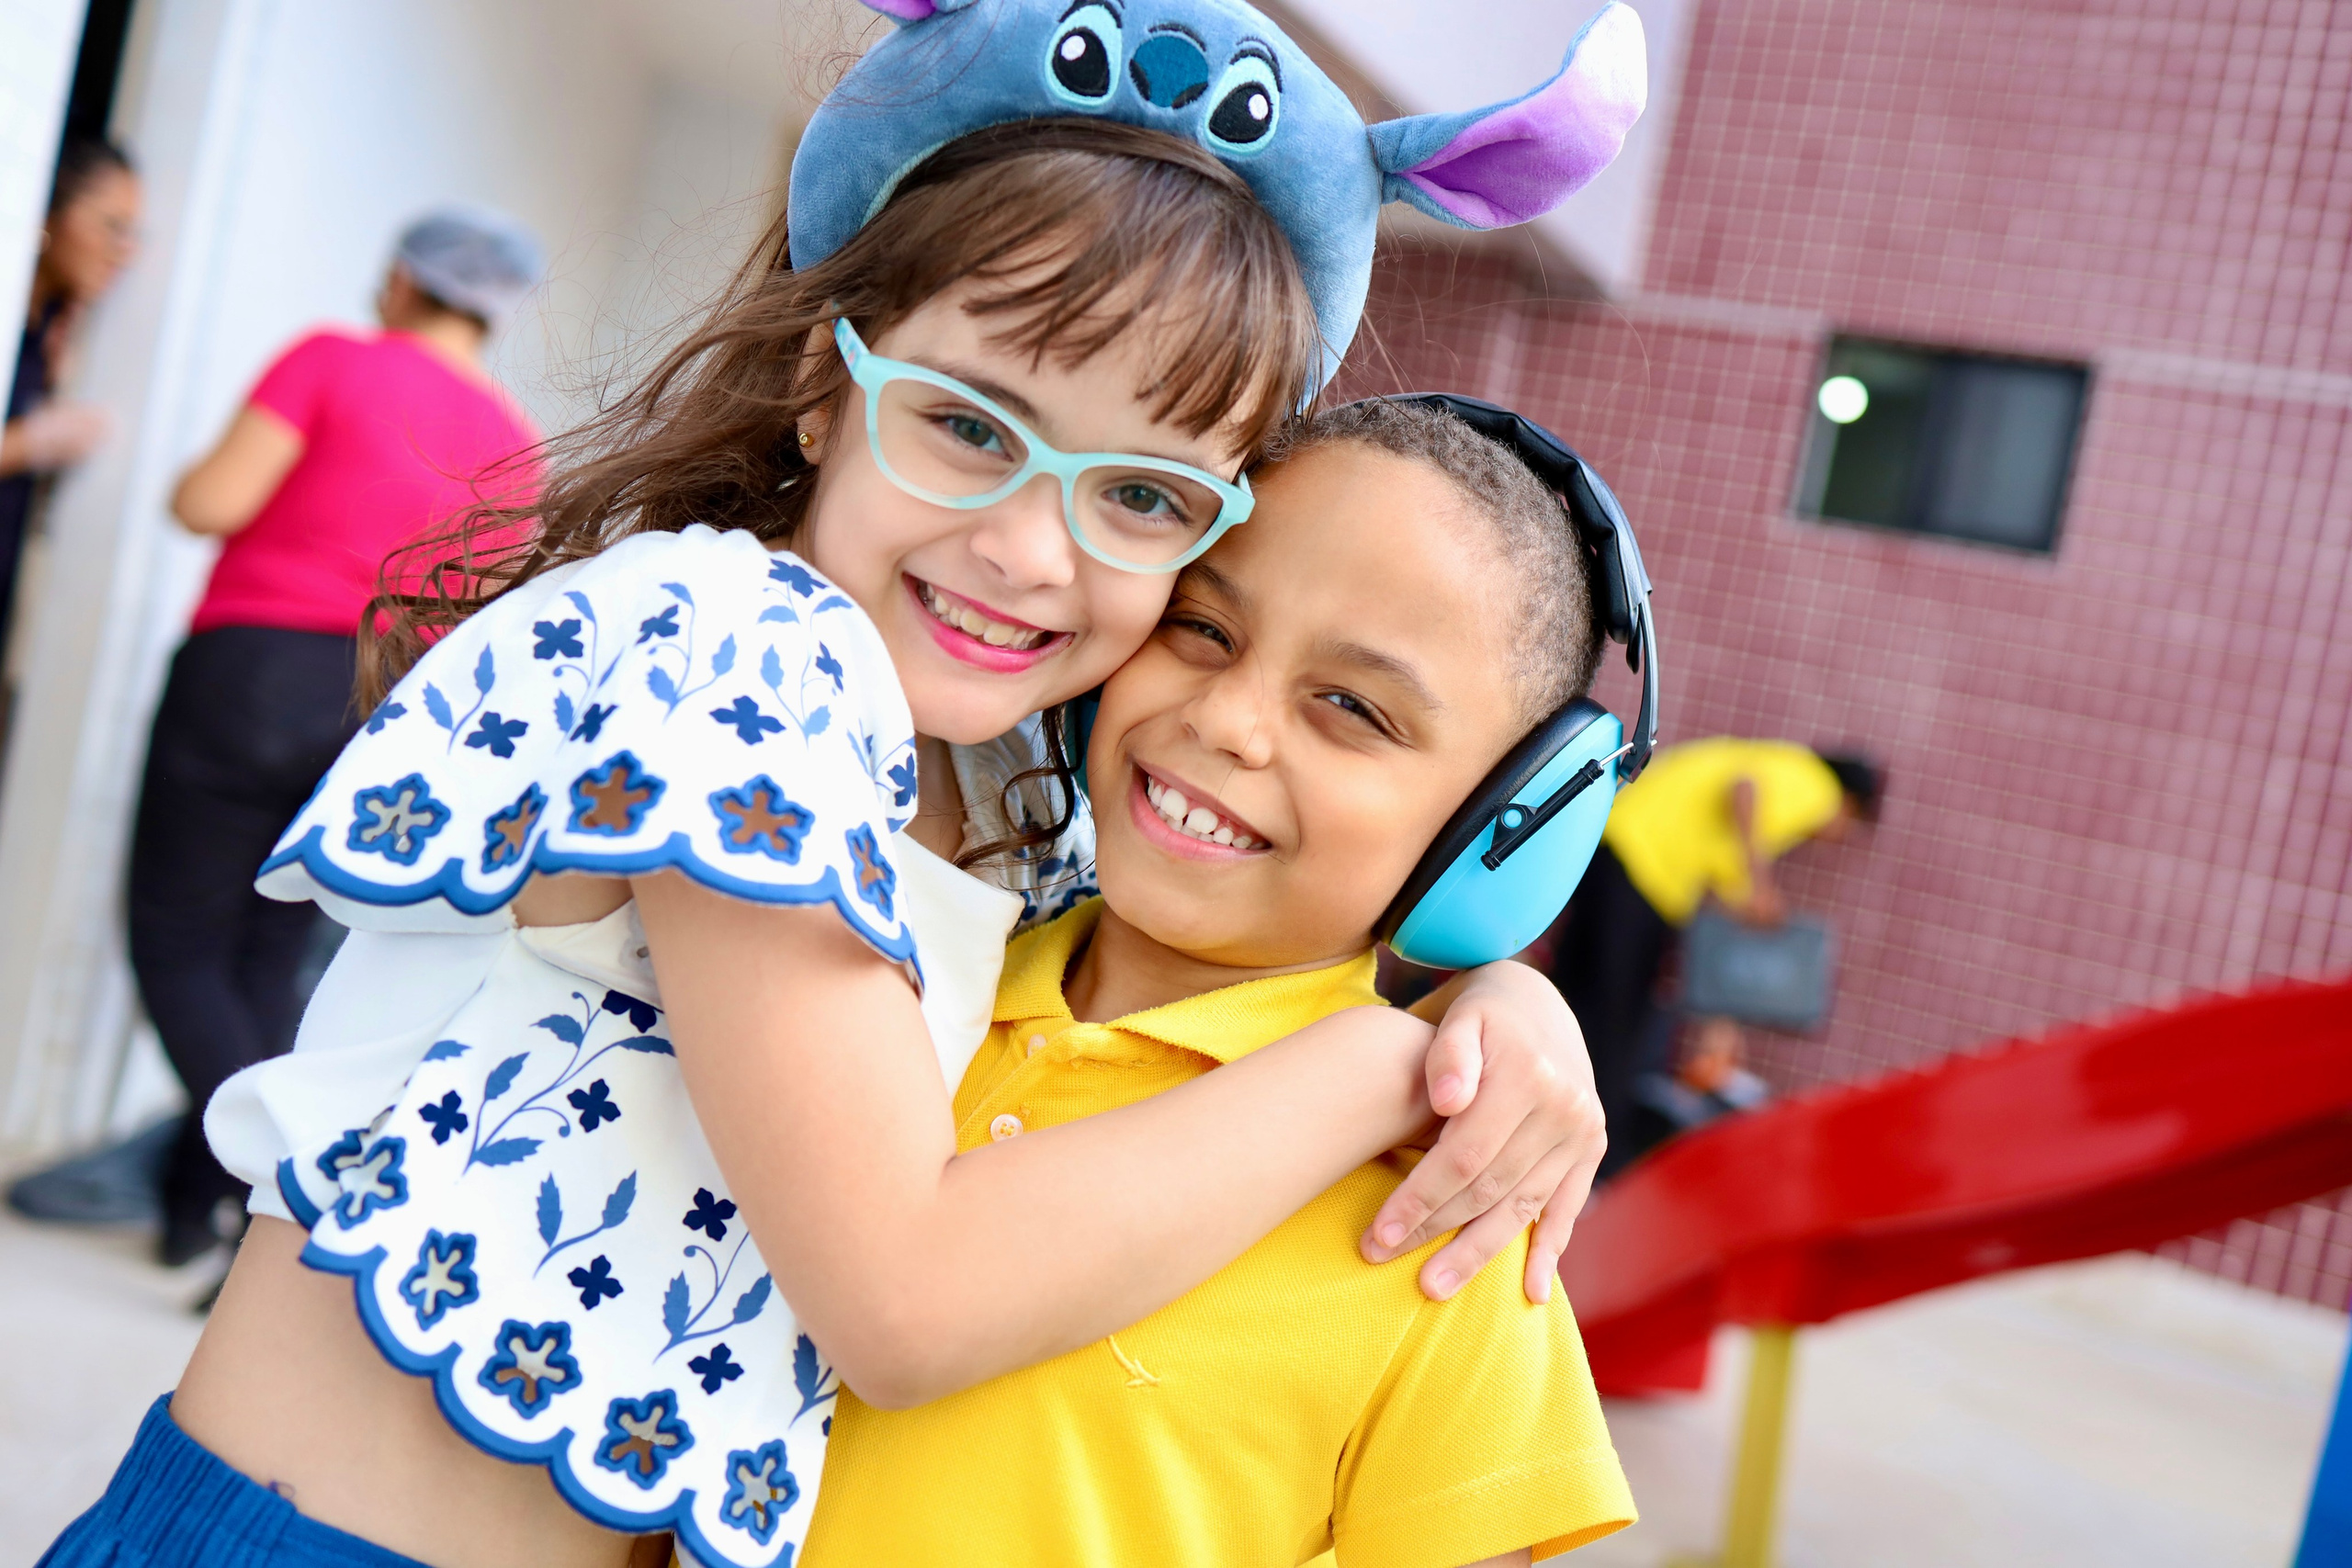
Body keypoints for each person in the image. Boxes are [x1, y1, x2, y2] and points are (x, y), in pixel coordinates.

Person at [41, 3, 1649, 1563]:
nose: (1029, 548)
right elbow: (903, 1293)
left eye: (1145, 497)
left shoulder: (1013, 783)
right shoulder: (737, 654)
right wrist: (1391, 1058)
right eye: (966, 424)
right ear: (828, 378)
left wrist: (1496, 996)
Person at [804, 395, 1641, 1568]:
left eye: (1352, 708)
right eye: (1202, 628)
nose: (1229, 720)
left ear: (1500, 831)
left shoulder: (1449, 1212)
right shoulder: (884, 978)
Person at [129, 206, 546, 1265]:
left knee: (177, 946)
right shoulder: (515, 444)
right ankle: (189, 1223)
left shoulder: (332, 360)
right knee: (267, 956)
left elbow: (211, 500)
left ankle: (289, 1179)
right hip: (379, 706)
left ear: (403, 280)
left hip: (252, 668)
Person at [1546, 736, 1882, 1177]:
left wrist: (1746, 896)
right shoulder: (1816, 787)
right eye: (1847, 829)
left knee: (1572, 996)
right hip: (1644, 869)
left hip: (1621, 846)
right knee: (1616, 1020)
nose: (1833, 836)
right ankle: (1589, 1158)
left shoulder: (1777, 760)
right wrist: (1760, 881)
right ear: (1850, 805)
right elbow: (1743, 790)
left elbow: (1723, 842)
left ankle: (1550, 1123)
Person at [0, 137, 140, 658]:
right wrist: (32, 441)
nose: (125, 250)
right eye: (111, 225)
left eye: (132, 233)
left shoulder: (51, 332)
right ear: (50, 213)